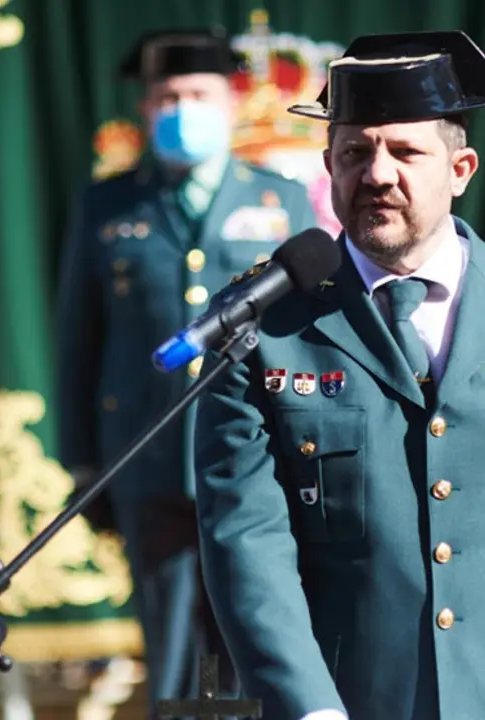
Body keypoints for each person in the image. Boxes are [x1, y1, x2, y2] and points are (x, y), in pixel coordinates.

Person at [194, 30, 485, 720]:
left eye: (407, 152)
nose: (379, 174)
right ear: (329, 167)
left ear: (461, 169)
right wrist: (309, 709)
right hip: (353, 700)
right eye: (356, 153)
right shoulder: (264, 327)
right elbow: (246, 548)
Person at [54, 27, 318, 719]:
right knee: (172, 650)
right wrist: (84, 464)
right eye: (166, 96)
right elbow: (78, 339)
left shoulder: (278, 199)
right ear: (144, 109)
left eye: (197, 94)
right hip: (151, 459)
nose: (181, 108)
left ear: (229, 102)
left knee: (256, 632)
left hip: (256, 461)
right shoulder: (107, 206)